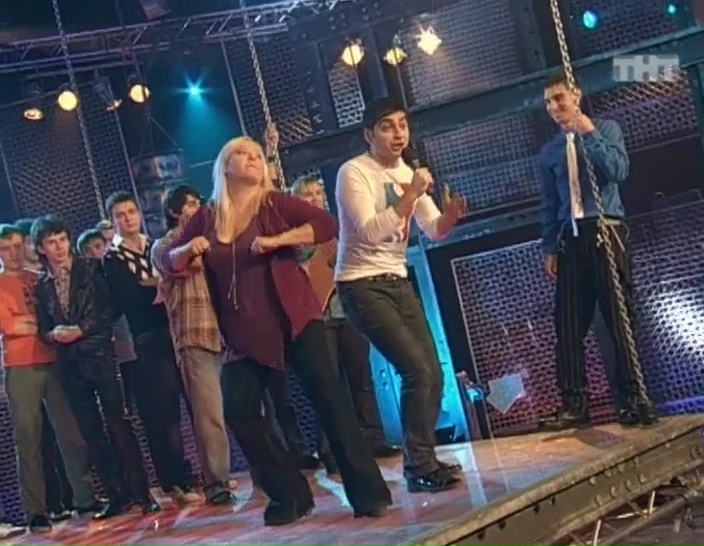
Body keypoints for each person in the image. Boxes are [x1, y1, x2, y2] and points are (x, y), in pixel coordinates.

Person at [165, 136, 392, 526]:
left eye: (257, 155)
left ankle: (368, 493)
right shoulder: (208, 216)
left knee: (330, 400)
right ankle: (290, 494)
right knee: (238, 409)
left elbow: (325, 225)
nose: (252, 159)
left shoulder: (273, 203)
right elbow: (170, 260)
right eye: (242, 154)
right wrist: (187, 251)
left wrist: (278, 240)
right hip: (245, 332)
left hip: (295, 319)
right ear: (225, 165)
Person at [335, 97, 466, 494]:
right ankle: (419, 467)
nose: (398, 134)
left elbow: (433, 230)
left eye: (403, 125)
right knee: (416, 370)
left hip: (397, 279)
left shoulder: (409, 174)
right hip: (360, 283)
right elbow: (371, 231)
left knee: (434, 373)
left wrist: (450, 216)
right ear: (368, 135)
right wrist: (411, 194)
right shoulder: (354, 172)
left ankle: (423, 460)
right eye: (387, 126)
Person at [538, 73, 657, 430]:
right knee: (568, 324)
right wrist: (549, 247)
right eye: (548, 102)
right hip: (571, 236)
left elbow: (619, 171)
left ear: (576, 94)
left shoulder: (606, 129)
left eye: (559, 98)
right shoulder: (550, 152)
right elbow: (549, 203)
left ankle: (632, 400)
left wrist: (590, 133)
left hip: (607, 229)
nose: (554, 107)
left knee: (620, 322)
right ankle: (574, 404)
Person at [31, 215, 160, 518]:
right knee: (91, 432)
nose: (59, 247)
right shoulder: (42, 286)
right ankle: (116, 497)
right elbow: (43, 328)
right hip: (69, 364)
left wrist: (81, 329)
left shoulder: (91, 268)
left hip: (100, 355)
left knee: (120, 425)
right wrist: (53, 335)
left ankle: (142, 494)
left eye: (62, 240)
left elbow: (111, 309)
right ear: (40, 248)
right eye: (52, 242)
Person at [291, 175, 401, 470]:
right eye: (307, 195)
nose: (314, 199)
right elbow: (297, 264)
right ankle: (331, 450)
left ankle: (373, 439)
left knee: (361, 377)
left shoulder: (338, 224)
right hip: (317, 315)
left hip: (348, 310)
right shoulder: (293, 233)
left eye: (318, 193)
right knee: (328, 384)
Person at [0, 224, 103, 533]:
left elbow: (53, 318)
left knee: (71, 433)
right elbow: (11, 327)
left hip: (55, 362)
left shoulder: (38, 279)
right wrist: (40, 324)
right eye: (6, 248)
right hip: (21, 367)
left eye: (17, 246)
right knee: (28, 439)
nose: (14, 253)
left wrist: (33, 323)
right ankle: (36, 511)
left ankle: (84, 497)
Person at [103, 192, 197, 504]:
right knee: (164, 413)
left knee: (195, 404)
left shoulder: (156, 245)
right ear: (113, 221)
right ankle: (174, 480)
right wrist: (160, 283)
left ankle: (203, 476)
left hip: (176, 330)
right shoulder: (112, 259)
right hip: (146, 339)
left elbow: (176, 278)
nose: (128, 218)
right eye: (120, 215)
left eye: (131, 211)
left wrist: (156, 283)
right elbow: (130, 298)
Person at [151, 185, 235, 506]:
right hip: (196, 335)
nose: (197, 208)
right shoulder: (164, 244)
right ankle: (217, 484)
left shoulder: (216, 238)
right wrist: (192, 246)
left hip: (231, 334)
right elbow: (174, 261)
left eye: (199, 203)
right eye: (189, 205)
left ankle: (267, 472)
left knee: (248, 408)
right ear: (174, 212)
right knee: (209, 415)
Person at [76, 228, 138, 407]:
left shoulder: (121, 269)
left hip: (130, 338)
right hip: (104, 346)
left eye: (98, 247)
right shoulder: (83, 283)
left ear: (106, 246)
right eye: (88, 251)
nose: (95, 253)